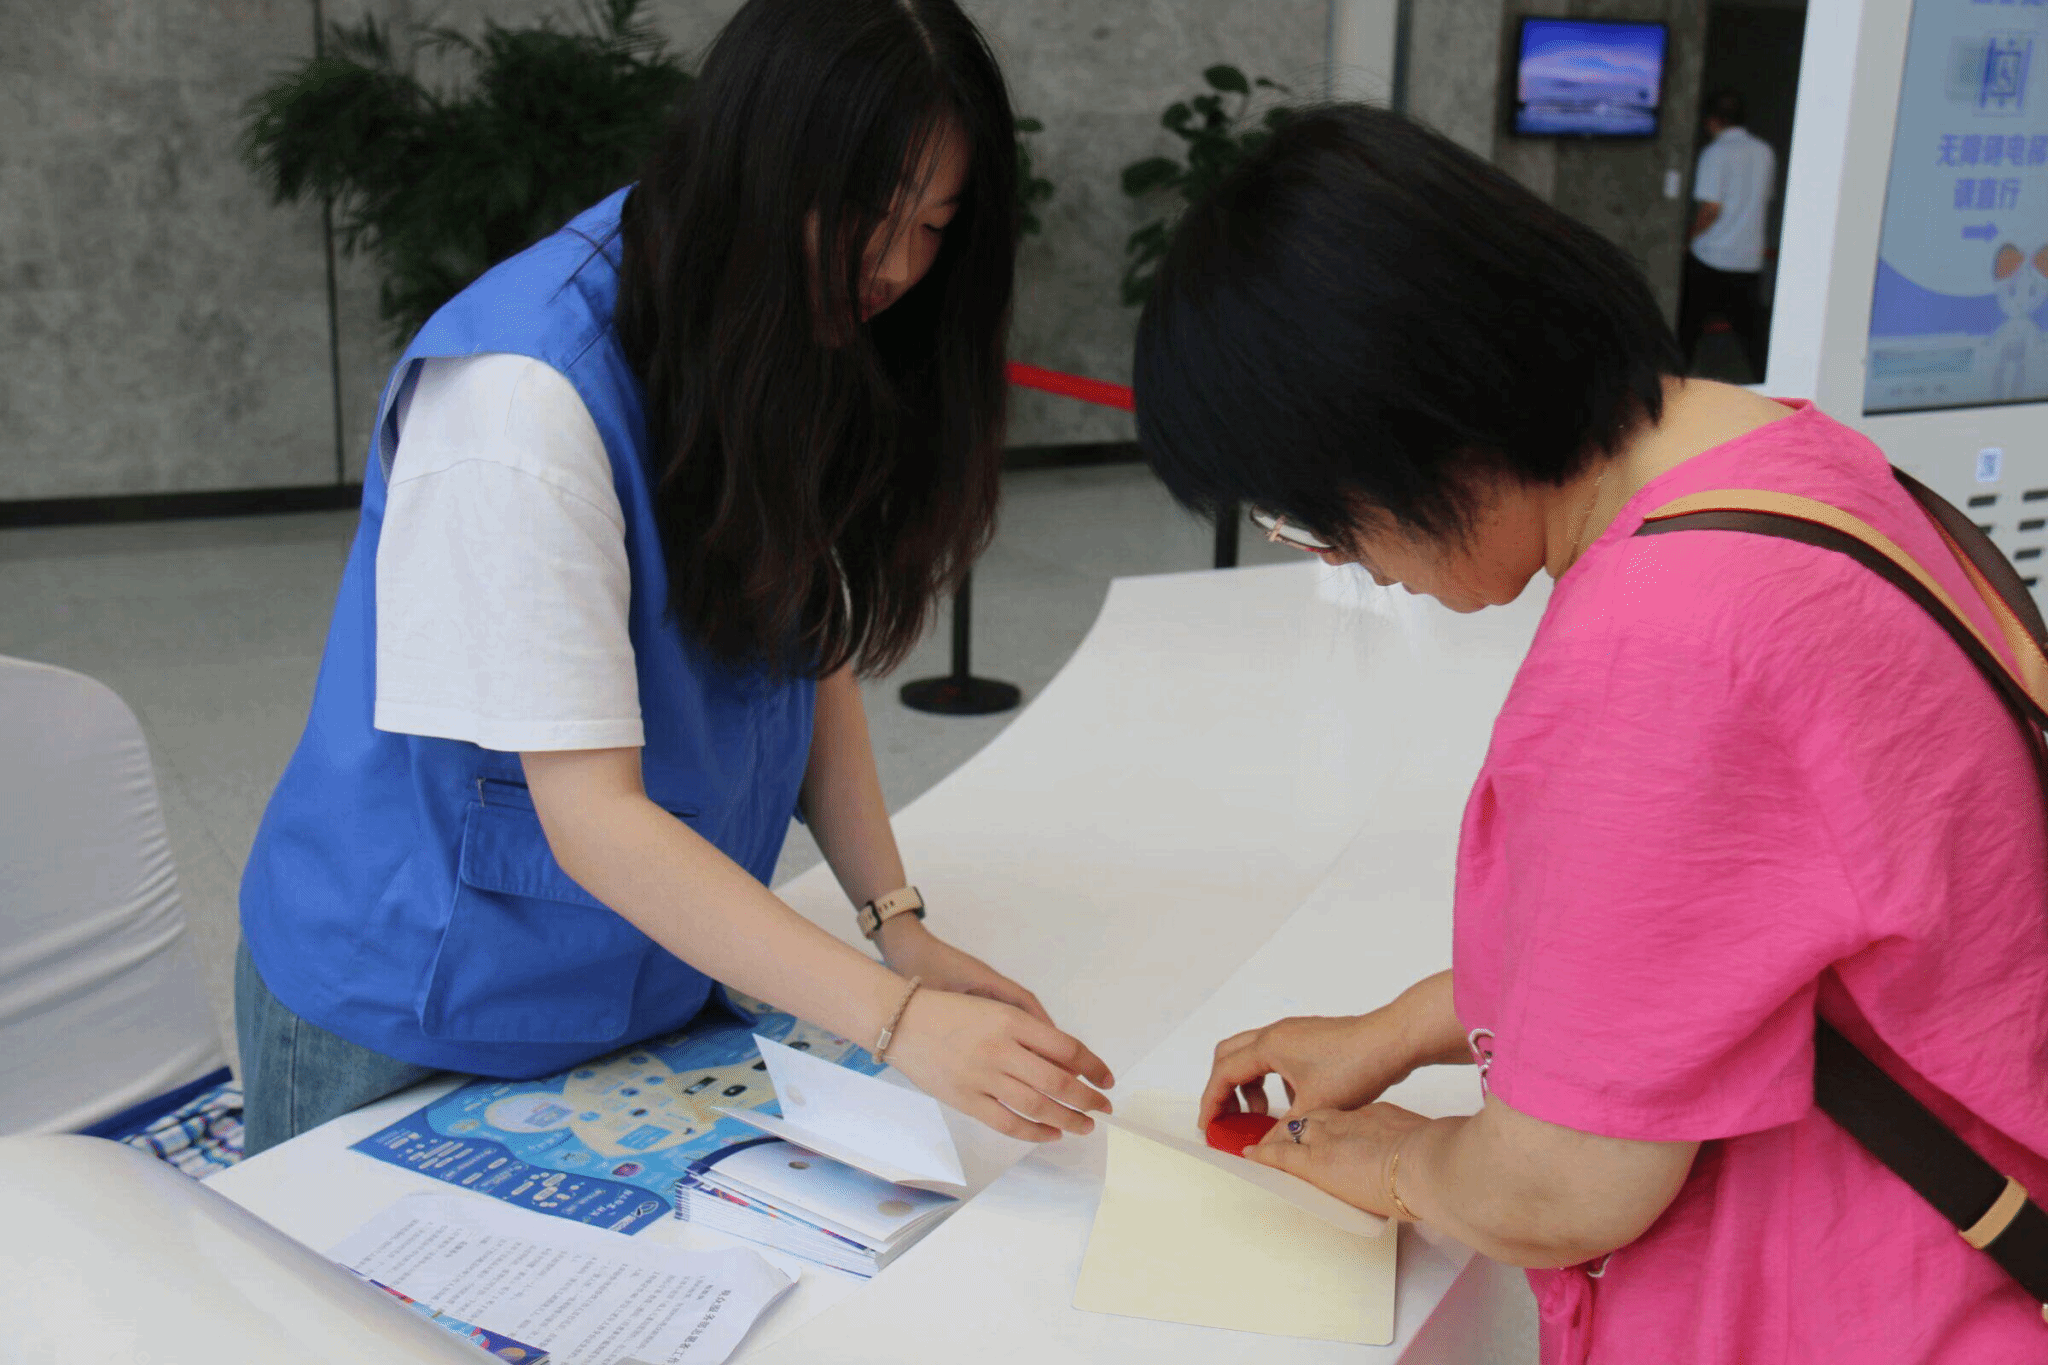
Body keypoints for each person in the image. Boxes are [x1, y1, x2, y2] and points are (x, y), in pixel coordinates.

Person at [1136, 104, 2048, 1361]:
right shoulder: (1784, 460)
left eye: (1312, 517)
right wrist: (1404, 1027)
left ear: (1403, 428)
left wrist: (1404, 1165)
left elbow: (1561, 1189)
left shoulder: (1659, 642)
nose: (1342, 561)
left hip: (1858, 1309)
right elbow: (1731, 943)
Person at [235, 0, 1112, 1157]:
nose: (898, 268)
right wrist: (895, 1021)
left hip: (645, 973)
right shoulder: (521, 400)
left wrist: (894, 924)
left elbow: (804, 649)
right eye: (870, 215)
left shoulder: (783, 313)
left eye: (934, 227)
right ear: (759, 161)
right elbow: (592, 819)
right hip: (413, 1003)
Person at [1679, 89, 1777, 381]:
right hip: (1748, 259)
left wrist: (1688, 239)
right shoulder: (1764, 152)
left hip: (1710, 257)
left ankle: (1678, 388)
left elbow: (1711, 208)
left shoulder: (1715, 153)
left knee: (1688, 332)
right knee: (1754, 341)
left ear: (1713, 120)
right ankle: (1771, 389)